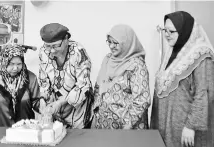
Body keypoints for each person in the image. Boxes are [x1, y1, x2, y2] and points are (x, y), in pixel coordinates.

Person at [151, 11, 214, 147]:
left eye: (171, 31)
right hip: (166, 122)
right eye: (165, 30)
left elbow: (204, 93)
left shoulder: (201, 55)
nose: (167, 35)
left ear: (184, 31)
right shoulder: (173, 53)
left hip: (185, 128)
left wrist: (191, 126)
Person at [91, 24, 151, 129]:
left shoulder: (136, 65)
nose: (111, 46)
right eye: (109, 42)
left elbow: (142, 99)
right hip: (104, 123)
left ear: (126, 43)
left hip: (126, 127)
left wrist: (128, 123)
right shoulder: (107, 59)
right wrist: (95, 114)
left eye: (116, 43)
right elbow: (98, 88)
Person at [38, 23, 94, 129]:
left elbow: (83, 85)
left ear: (66, 39)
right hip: (56, 110)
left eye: (56, 45)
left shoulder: (78, 52)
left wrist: (60, 103)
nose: (52, 50)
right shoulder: (43, 52)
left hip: (77, 112)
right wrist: (43, 99)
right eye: (48, 46)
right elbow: (44, 80)